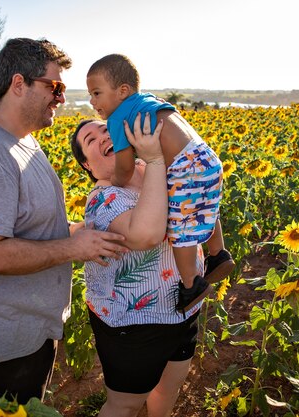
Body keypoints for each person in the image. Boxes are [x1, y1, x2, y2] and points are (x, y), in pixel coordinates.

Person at [0, 38, 128, 417]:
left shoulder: (19, 140)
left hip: (20, 330)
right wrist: (75, 248)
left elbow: (28, 225)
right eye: (55, 87)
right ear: (19, 84)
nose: (61, 98)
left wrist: (80, 230)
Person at [71, 114, 202, 417]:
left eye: (106, 130)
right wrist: (156, 161)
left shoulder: (155, 169)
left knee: (166, 392)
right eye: (91, 140)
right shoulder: (105, 198)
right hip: (134, 325)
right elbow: (145, 235)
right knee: (125, 405)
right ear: (87, 166)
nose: (103, 137)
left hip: (184, 309)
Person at [86, 54, 235, 313]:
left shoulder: (118, 118)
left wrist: (117, 181)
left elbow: (125, 165)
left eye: (97, 93)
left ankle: (191, 284)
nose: (92, 101)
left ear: (122, 91)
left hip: (184, 167)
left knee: (182, 227)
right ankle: (218, 253)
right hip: (206, 156)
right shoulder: (151, 101)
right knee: (206, 207)